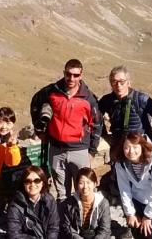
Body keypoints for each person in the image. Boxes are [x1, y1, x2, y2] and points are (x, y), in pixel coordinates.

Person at [30, 59, 102, 200]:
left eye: (76, 75)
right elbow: (35, 102)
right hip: (56, 150)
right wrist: (39, 130)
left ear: (81, 75)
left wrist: (92, 151)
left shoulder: (89, 98)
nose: (71, 78)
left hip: (80, 150)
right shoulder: (51, 91)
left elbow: (97, 125)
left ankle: (82, 221)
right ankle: (64, 221)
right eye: (68, 74)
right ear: (64, 73)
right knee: (62, 193)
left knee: (83, 190)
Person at [114, 132, 152, 239]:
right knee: (135, 226)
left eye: (135, 147)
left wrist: (148, 216)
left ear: (142, 146)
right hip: (138, 193)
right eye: (126, 147)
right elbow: (124, 189)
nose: (131, 151)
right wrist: (130, 213)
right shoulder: (121, 164)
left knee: (148, 231)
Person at [98, 66, 152, 146]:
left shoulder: (141, 98)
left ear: (128, 83)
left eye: (122, 82)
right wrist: (104, 134)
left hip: (140, 146)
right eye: (114, 82)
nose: (118, 85)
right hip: (118, 145)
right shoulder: (107, 100)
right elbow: (96, 117)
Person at [6, 165, 60, 239]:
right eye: (28, 181)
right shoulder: (15, 205)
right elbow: (14, 234)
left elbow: (53, 227)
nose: (32, 184)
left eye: (37, 180)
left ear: (42, 183)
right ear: (23, 184)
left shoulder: (49, 200)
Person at [59, 168, 111, 239]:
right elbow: (67, 226)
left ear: (95, 184)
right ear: (77, 185)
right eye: (81, 183)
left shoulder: (103, 203)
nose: (85, 187)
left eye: (88, 182)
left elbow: (104, 229)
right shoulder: (69, 202)